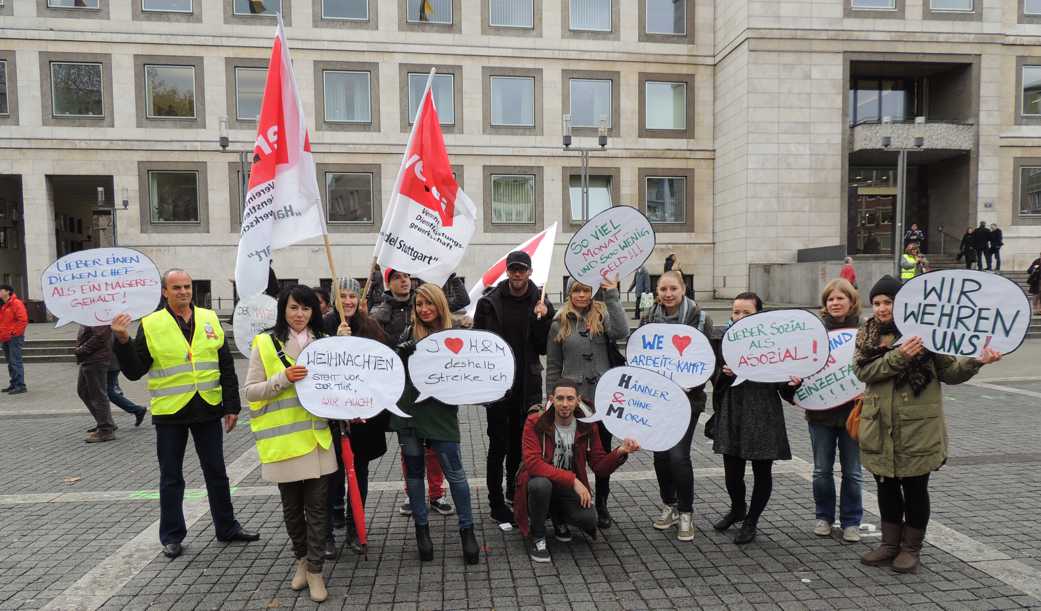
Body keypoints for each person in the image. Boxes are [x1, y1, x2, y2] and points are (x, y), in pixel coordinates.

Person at [853, 275, 1001, 574]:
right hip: (880, 427)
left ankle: (911, 549)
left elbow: (951, 373)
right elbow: (864, 372)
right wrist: (898, 356)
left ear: (904, 303)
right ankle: (889, 544)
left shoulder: (928, 333)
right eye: (877, 303)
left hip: (918, 430)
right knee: (887, 489)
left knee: (916, 489)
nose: (882, 309)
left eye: (889, 302)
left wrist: (978, 361)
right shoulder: (867, 334)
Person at [113, 269, 259, 559]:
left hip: (207, 407)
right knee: (171, 477)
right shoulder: (152, 324)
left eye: (187, 287)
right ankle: (171, 536)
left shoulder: (208, 317)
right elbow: (134, 371)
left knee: (217, 472)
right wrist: (123, 341)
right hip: (171, 412)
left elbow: (225, 365)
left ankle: (227, 527)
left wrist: (231, 406)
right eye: (176, 287)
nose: (183, 292)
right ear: (165, 293)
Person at [243, 285, 332, 602]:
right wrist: (283, 379)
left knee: (319, 510)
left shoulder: (324, 343)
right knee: (293, 511)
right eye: (294, 308)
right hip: (283, 444)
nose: (300, 314)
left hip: (317, 441)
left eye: (306, 309)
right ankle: (301, 560)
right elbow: (251, 391)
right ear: (283, 309)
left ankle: (316, 572)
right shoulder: (265, 343)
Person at [391, 284, 480, 564]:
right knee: (415, 475)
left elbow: (469, 374)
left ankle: (467, 530)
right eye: (419, 305)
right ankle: (422, 530)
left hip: (441, 414)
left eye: (429, 303)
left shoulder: (455, 335)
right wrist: (399, 354)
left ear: (440, 305)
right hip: (411, 414)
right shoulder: (407, 333)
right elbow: (393, 373)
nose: (424, 309)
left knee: (455, 473)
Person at [515, 378, 639, 563]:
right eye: (560, 398)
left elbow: (599, 467)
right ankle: (538, 536)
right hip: (542, 481)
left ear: (578, 400)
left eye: (570, 399)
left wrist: (620, 452)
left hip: (565, 487)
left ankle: (558, 517)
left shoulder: (588, 425)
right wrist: (573, 480)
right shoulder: (535, 421)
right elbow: (533, 464)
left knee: (589, 519)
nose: (565, 404)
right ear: (552, 399)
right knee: (540, 485)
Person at [711, 292, 801, 545]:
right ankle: (738, 508)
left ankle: (752, 520)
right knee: (732, 473)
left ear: (758, 315)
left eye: (746, 313)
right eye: (736, 311)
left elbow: (784, 390)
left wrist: (792, 384)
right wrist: (724, 374)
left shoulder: (775, 344)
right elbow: (714, 385)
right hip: (733, 413)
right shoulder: (724, 341)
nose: (739, 317)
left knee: (762, 472)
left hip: (763, 414)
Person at [474, 251, 555, 524]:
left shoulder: (541, 302)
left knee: (522, 446)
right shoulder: (489, 303)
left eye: (522, 270)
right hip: (497, 387)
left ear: (530, 272)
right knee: (498, 445)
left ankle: (513, 492)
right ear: (507, 272)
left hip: (527, 385)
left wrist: (542, 319)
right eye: (513, 270)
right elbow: (477, 345)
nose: (517, 274)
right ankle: (495, 502)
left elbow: (544, 348)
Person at [545, 277, 628, 529]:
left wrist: (611, 293)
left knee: (602, 451)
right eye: (576, 290)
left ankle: (602, 503)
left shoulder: (603, 316)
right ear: (569, 293)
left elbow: (622, 332)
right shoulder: (559, 322)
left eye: (586, 290)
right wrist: (551, 397)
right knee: (567, 453)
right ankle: (566, 505)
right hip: (573, 399)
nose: (581, 295)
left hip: (603, 397)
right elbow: (553, 365)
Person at [372, 269, 453, 518]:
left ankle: (437, 493)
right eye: (397, 277)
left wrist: (450, 272)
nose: (404, 280)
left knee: (435, 450)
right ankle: (412, 492)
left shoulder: (430, 308)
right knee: (411, 450)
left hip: (436, 393)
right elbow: (382, 346)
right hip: (406, 391)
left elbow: (457, 300)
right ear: (389, 283)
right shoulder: (383, 311)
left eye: (407, 276)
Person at [641, 271, 714, 542]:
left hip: (688, 399)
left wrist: (691, 381)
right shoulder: (649, 317)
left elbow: (707, 359)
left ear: (683, 289)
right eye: (663, 289)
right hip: (658, 400)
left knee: (678, 456)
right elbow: (642, 354)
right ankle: (669, 504)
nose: (668, 294)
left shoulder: (700, 317)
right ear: (657, 292)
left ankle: (686, 512)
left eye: (673, 288)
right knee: (660, 456)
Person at [321, 278, 389, 555]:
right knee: (329, 475)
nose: (348, 301)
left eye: (352, 296)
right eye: (343, 295)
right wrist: (335, 342)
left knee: (358, 473)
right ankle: (326, 534)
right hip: (331, 417)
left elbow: (382, 364)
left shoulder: (370, 325)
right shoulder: (323, 325)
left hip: (363, 418)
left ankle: (354, 527)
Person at [807, 279, 863, 542]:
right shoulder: (814, 332)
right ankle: (824, 517)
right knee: (821, 470)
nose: (835, 303)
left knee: (852, 471)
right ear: (825, 304)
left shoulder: (864, 332)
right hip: (821, 413)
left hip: (854, 412)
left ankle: (851, 521)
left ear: (851, 302)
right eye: (831, 299)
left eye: (841, 298)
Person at [76, 324, 117, 443]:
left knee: (97, 394)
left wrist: (82, 349)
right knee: (84, 391)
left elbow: (101, 336)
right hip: (88, 359)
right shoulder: (88, 314)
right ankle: (104, 422)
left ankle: (106, 429)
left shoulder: (98, 314)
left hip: (96, 359)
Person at [106, 339, 148, 428]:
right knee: (109, 391)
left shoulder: (106, 327)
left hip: (109, 364)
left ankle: (137, 409)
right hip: (111, 363)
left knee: (108, 391)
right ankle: (104, 421)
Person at [0, 284, 28, 395]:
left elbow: (23, 320)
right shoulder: (4, 305)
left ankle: (20, 385)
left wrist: (14, 333)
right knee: (10, 362)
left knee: (15, 361)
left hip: (14, 337)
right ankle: (14, 383)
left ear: (8, 292)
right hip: (5, 337)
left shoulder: (16, 303)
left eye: (1, 290)